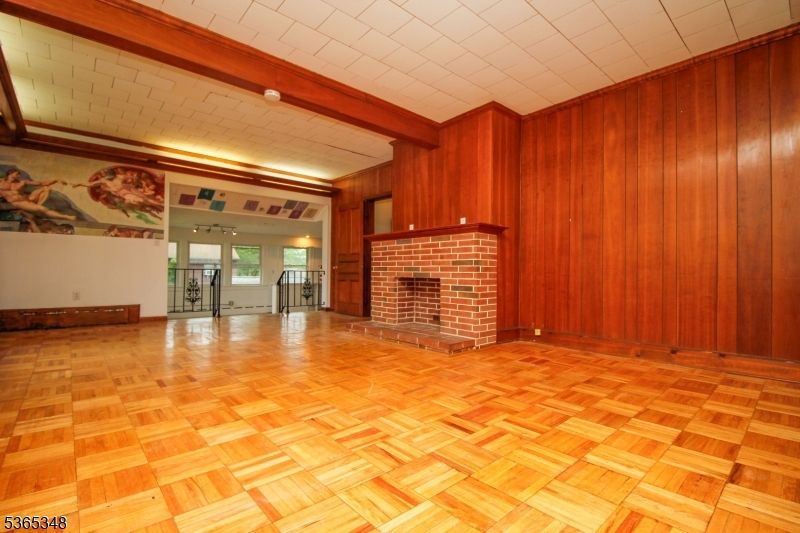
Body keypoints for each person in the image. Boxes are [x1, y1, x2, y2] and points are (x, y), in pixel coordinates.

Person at [0, 168, 75, 221]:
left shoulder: (22, 182)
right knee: (42, 209)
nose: (18, 176)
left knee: (46, 188)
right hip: (18, 202)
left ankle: (37, 208)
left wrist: (56, 180)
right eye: (17, 174)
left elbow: (41, 183)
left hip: (27, 198)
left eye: (19, 175)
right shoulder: (1, 182)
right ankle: (65, 217)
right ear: (11, 173)